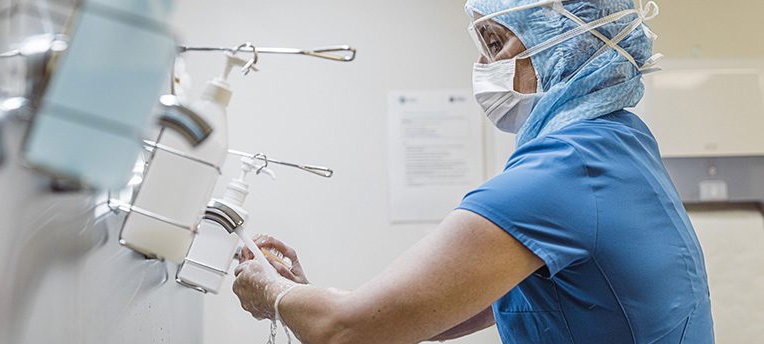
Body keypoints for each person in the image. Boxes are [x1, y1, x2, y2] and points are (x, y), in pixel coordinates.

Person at [232, 0, 715, 343]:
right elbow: (428, 311)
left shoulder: (560, 174)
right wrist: (308, 299)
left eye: (496, 42)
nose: (482, 65)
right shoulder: (621, 141)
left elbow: (347, 331)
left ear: (561, 44)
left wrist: (273, 294)